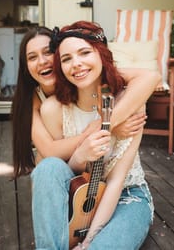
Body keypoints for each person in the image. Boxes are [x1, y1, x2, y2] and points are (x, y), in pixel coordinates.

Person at [32, 21, 160, 250]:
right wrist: (81, 155)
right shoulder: (53, 109)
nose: (77, 64)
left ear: (101, 54)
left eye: (84, 53)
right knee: (47, 167)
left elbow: (116, 181)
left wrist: (89, 240)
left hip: (125, 195)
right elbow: (63, 174)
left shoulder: (129, 101)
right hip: (79, 191)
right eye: (66, 58)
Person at [12, 26, 160, 177]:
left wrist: (111, 121)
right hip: (57, 166)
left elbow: (150, 77)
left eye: (47, 52)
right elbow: (49, 151)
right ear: (25, 66)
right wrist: (108, 128)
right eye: (32, 57)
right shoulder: (32, 100)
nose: (42, 61)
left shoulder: (84, 76)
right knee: (44, 164)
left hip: (93, 165)